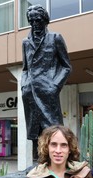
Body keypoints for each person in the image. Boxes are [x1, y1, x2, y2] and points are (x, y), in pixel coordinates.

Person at [21, 5, 71, 156]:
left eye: (38, 20)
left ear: (45, 20)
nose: (35, 23)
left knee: (53, 129)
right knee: (34, 130)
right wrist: (24, 85)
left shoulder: (55, 38)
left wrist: (54, 86)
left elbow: (66, 67)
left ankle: (55, 161)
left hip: (48, 91)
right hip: (30, 92)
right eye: (32, 21)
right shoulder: (25, 42)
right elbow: (25, 69)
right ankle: (37, 163)